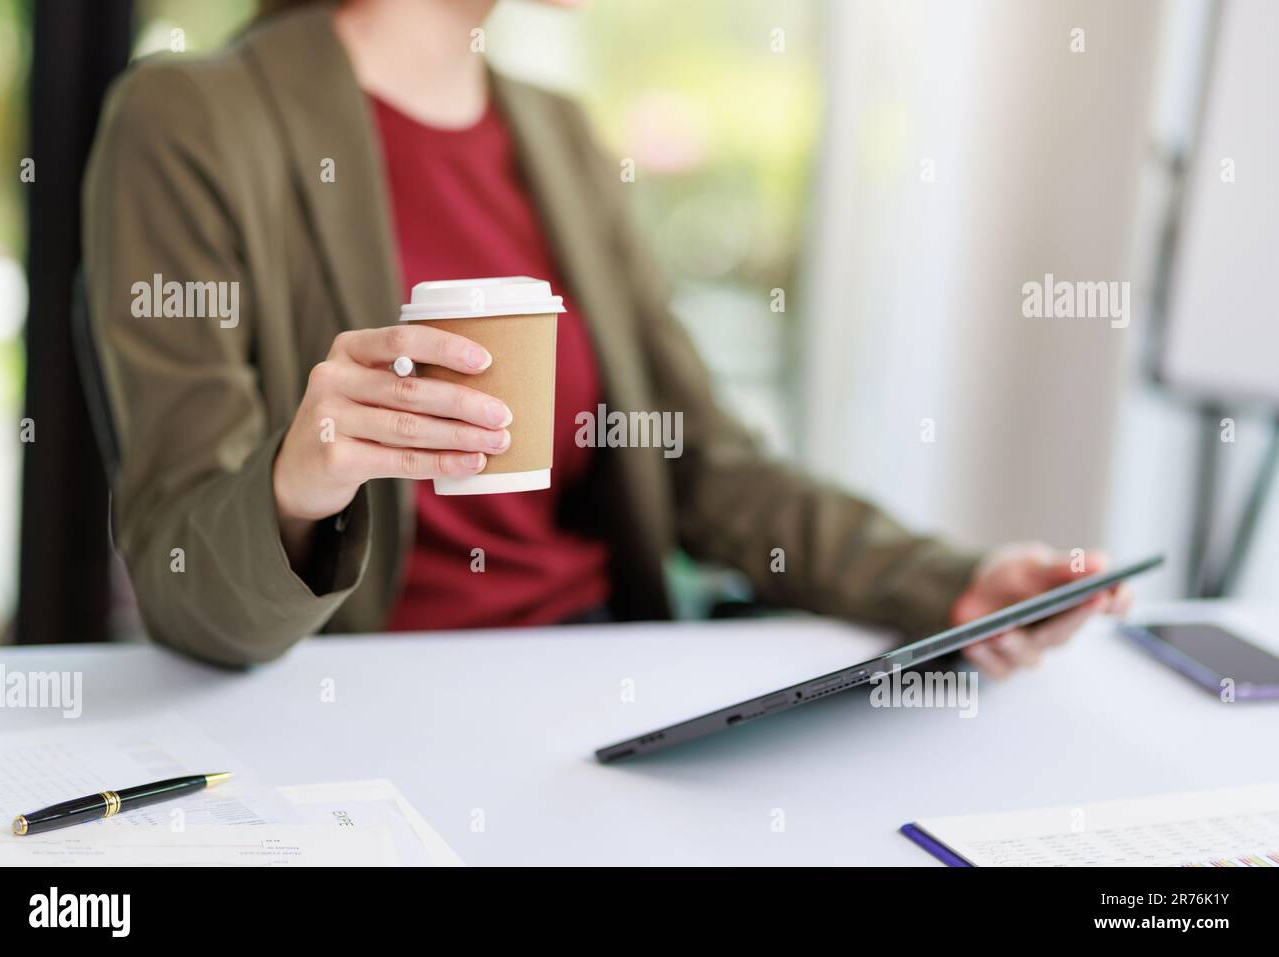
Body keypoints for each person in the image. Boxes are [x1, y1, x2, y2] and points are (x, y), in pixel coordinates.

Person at [83, 0, 1129, 668]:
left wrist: (948, 582)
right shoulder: (191, 117)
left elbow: (703, 466)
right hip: (366, 707)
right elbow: (183, 578)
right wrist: (295, 485)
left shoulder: (560, 134)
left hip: (593, 685)